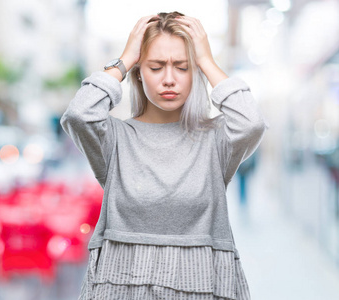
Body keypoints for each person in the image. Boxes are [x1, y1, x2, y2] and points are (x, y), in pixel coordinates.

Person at [61, 11, 267, 300]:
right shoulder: (115, 140)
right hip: (120, 284)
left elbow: (251, 122)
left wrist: (207, 61)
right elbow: (79, 115)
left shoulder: (215, 140)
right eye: (156, 67)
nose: (169, 79)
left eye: (182, 67)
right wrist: (124, 60)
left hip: (203, 284)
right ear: (138, 72)